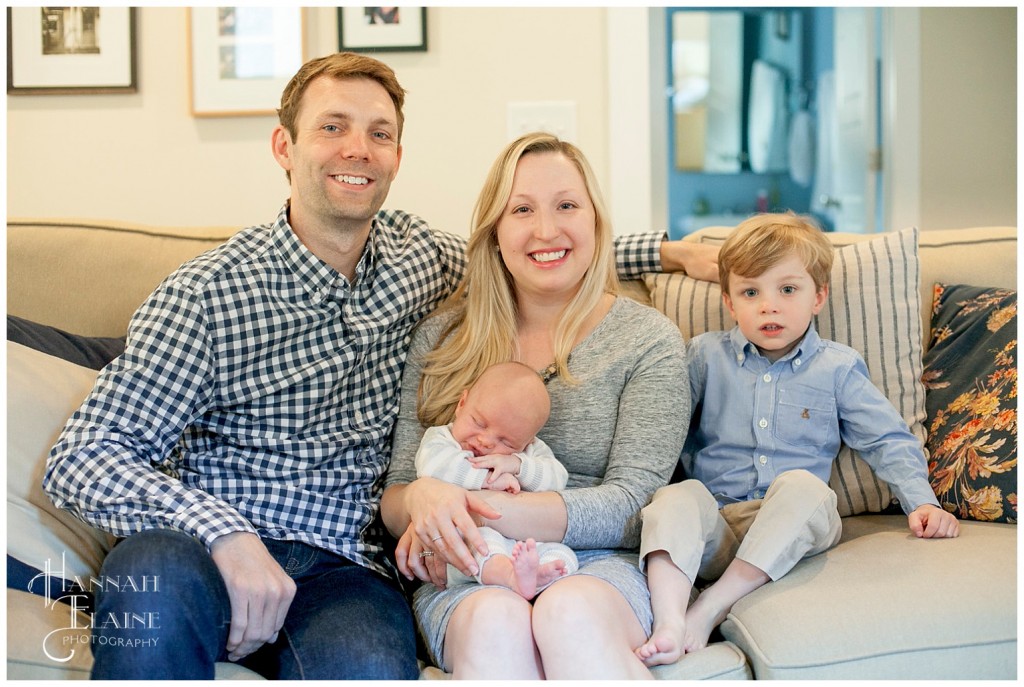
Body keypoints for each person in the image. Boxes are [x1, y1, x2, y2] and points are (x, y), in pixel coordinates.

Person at [41, 53, 718, 680]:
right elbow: (83, 454)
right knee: (150, 587)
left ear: (397, 156)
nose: (357, 149)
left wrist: (668, 251)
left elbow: (533, 250)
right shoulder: (206, 293)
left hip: (347, 569)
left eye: (379, 133)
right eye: (332, 127)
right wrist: (225, 533)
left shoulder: (417, 259)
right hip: (207, 547)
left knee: (365, 663)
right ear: (285, 147)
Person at [380, 132, 690, 679]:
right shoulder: (443, 339)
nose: (546, 230)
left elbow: (632, 507)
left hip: (598, 567)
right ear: (496, 233)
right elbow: (398, 497)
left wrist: (455, 508)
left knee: (567, 612)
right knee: (495, 621)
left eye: (566, 206)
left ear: (595, 220)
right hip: (465, 568)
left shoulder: (648, 341)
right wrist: (422, 498)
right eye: (522, 209)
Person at [634, 213, 961, 668]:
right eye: (751, 292)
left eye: (787, 290)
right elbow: (660, 429)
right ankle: (669, 621)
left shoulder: (837, 367)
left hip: (795, 523)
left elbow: (888, 438)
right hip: (720, 523)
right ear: (730, 302)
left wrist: (921, 502)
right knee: (674, 496)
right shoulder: (705, 355)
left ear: (818, 296)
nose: (769, 306)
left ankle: (710, 607)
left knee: (804, 487)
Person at [415, 360, 578, 600]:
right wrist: (487, 479)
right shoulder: (442, 439)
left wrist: (519, 466)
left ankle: (536, 578)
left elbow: (558, 479)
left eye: (507, 442)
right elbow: (433, 466)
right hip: (463, 542)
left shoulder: (528, 453)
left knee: (563, 557)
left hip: (522, 544)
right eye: (478, 423)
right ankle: (510, 576)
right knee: (485, 544)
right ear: (462, 404)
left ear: (528, 441)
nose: (485, 441)